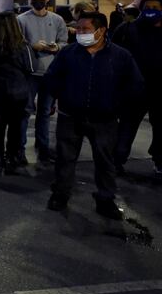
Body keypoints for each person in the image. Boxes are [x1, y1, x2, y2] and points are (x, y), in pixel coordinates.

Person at [45, 12, 143, 219]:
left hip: (105, 120)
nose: (80, 33)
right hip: (70, 116)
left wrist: (117, 105)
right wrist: (64, 96)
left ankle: (106, 200)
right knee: (65, 159)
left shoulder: (120, 56)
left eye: (85, 30)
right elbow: (52, 78)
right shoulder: (68, 53)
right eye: (78, 29)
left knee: (105, 161)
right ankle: (60, 194)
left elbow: (134, 85)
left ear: (101, 30)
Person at [17, 0, 68, 163]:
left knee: (45, 112)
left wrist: (57, 47)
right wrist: (32, 46)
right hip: (29, 73)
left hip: (50, 73)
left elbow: (64, 41)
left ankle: (43, 147)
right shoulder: (21, 20)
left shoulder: (57, 20)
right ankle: (19, 150)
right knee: (25, 112)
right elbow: (17, 44)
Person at [112, 0, 162, 177]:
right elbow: (113, 54)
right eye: (148, 7)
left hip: (159, 90)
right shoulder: (127, 29)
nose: (152, 10)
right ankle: (116, 161)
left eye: (156, 7)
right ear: (141, 9)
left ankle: (159, 161)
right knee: (127, 127)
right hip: (134, 90)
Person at [0, 12, 36, 175]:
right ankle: (12, 156)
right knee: (15, 126)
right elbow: (31, 67)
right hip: (18, 91)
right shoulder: (21, 45)